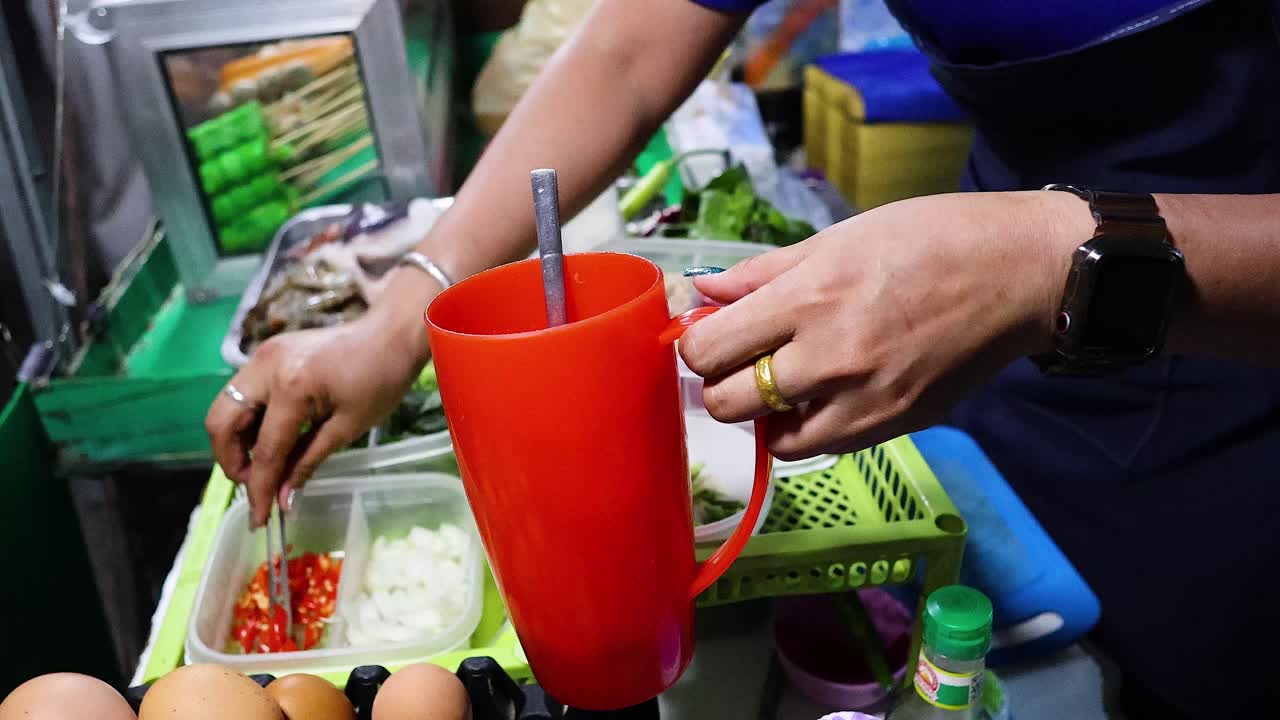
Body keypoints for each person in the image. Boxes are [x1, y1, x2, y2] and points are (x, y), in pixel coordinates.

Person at [207, 0, 1280, 715]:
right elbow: (630, 48)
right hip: (998, 351)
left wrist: (1048, 260)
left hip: (1238, 385)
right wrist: (403, 313)